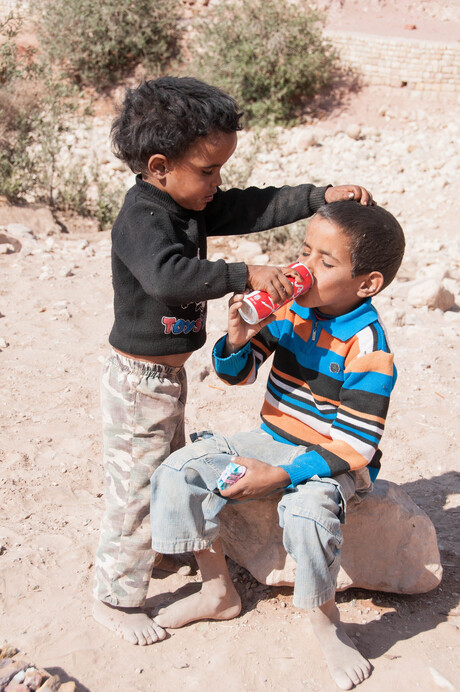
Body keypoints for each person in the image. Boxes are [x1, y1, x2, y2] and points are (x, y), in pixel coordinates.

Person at [92, 74, 375, 647]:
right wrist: (244, 273)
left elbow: (255, 205)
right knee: (135, 487)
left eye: (221, 169)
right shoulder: (144, 218)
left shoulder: (188, 200)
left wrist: (320, 196)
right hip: (137, 381)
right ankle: (115, 598)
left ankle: (165, 554)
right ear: (158, 165)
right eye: (208, 170)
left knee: (168, 471)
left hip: (165, 378)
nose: (217, 185)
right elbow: (167, 277)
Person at [149, 200, 405, 689]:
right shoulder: (291, 310)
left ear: (367, 283)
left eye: (325, 263)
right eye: (304, 252)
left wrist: (281, 475)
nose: (302, 270)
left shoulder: (368, 347)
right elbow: (238, 375)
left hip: (335, 460)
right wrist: (239, 337)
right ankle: (216, 591)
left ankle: (325, 621)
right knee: (182, 468)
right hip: (273, 437)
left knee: (308, 513)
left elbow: (358, 446)